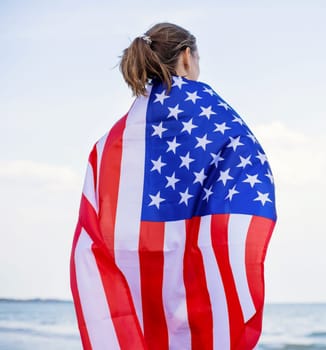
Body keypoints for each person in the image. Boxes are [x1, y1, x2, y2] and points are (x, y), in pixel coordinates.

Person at [70, 22, 277, 350]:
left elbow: (93, 234)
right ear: (186, 57)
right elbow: (245, 175)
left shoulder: (109, 144)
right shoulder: (215, 120)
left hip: (141, 298)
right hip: (195, 295)